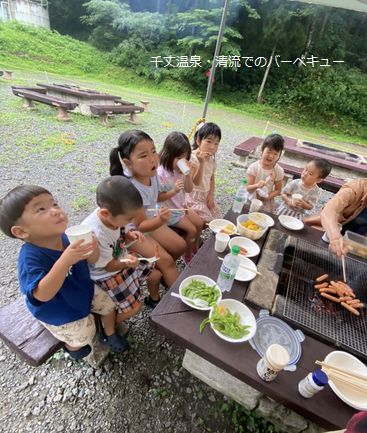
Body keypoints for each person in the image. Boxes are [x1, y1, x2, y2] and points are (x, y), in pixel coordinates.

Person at [0, 185, 128, 359]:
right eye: (41, 209)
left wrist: (93, 247)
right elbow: (41, 296)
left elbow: (93, 260)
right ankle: (72, 348)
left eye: (55, 203)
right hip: (57, 308)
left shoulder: (68, 238)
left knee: (109, 305)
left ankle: (110, 332)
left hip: (81, 291)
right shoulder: (30, 258)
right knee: (85, 334)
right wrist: (65, 260)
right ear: (21, 231)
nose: (55, 210)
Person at [83, 177, 162, 323]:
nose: (132, 222)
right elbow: (109, 266)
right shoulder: (97, 234)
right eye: (129, 219)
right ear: (105, 213)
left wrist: (129, 235)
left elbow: (121, 233)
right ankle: (108, 327)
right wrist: (127, 262)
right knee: (134, 308)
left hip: (122, 259)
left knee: (155, 275)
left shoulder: (114, 215)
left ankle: (154, 300)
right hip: (107, 274)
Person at [109, 130, 182, 288]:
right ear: (128, 163)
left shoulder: (152, 173)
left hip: (148, 220)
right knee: (167, 261)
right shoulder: (131, 188)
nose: (153, 159)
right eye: (143, 156)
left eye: (154, 151)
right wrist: (161, 219)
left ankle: (163, 273)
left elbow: (154, 198)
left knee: (180, 246)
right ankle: (163, 275)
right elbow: (140, 226)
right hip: (130, 233)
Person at [158, 131, 204, 263]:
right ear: (168, 155)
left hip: (180, 207)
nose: (181, 162)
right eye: (178, 158)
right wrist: (173, 191)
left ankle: (193, 247)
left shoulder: (181, 171)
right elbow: (157, 198)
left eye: (185, 158)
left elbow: (189, 189)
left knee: (199, 223)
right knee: (191, 229)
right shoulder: (161, 173)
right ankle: (187, 255)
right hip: (169, 211)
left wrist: (188, 175)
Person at [305, 178, 367, 257]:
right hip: (331, 232)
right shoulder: (356, 188)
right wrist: (335, 237)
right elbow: (329, 211)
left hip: (355, 246)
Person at [185, 122, 223, 223]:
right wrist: (201, 163)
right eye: (209, 141)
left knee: (214, 219)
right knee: (206, 219)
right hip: (193, 196)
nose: (212, 147)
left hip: (205, 195)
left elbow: (211, 179)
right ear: (198, 140)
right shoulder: (192, 158)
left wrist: (211, 195)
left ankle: (198, 234)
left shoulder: (212, 161)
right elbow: (193, 182)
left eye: (216, 143)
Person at [246, 133, 285, 213]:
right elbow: (248, 188)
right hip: (251, 199)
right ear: (262, 150)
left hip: (267, 202)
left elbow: (278, 190)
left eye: (275, 154)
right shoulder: (254, 167)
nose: (271, 156)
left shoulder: (278, 170)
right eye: (269, 151)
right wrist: (257, 185)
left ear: (279, 156)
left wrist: (267, 197)